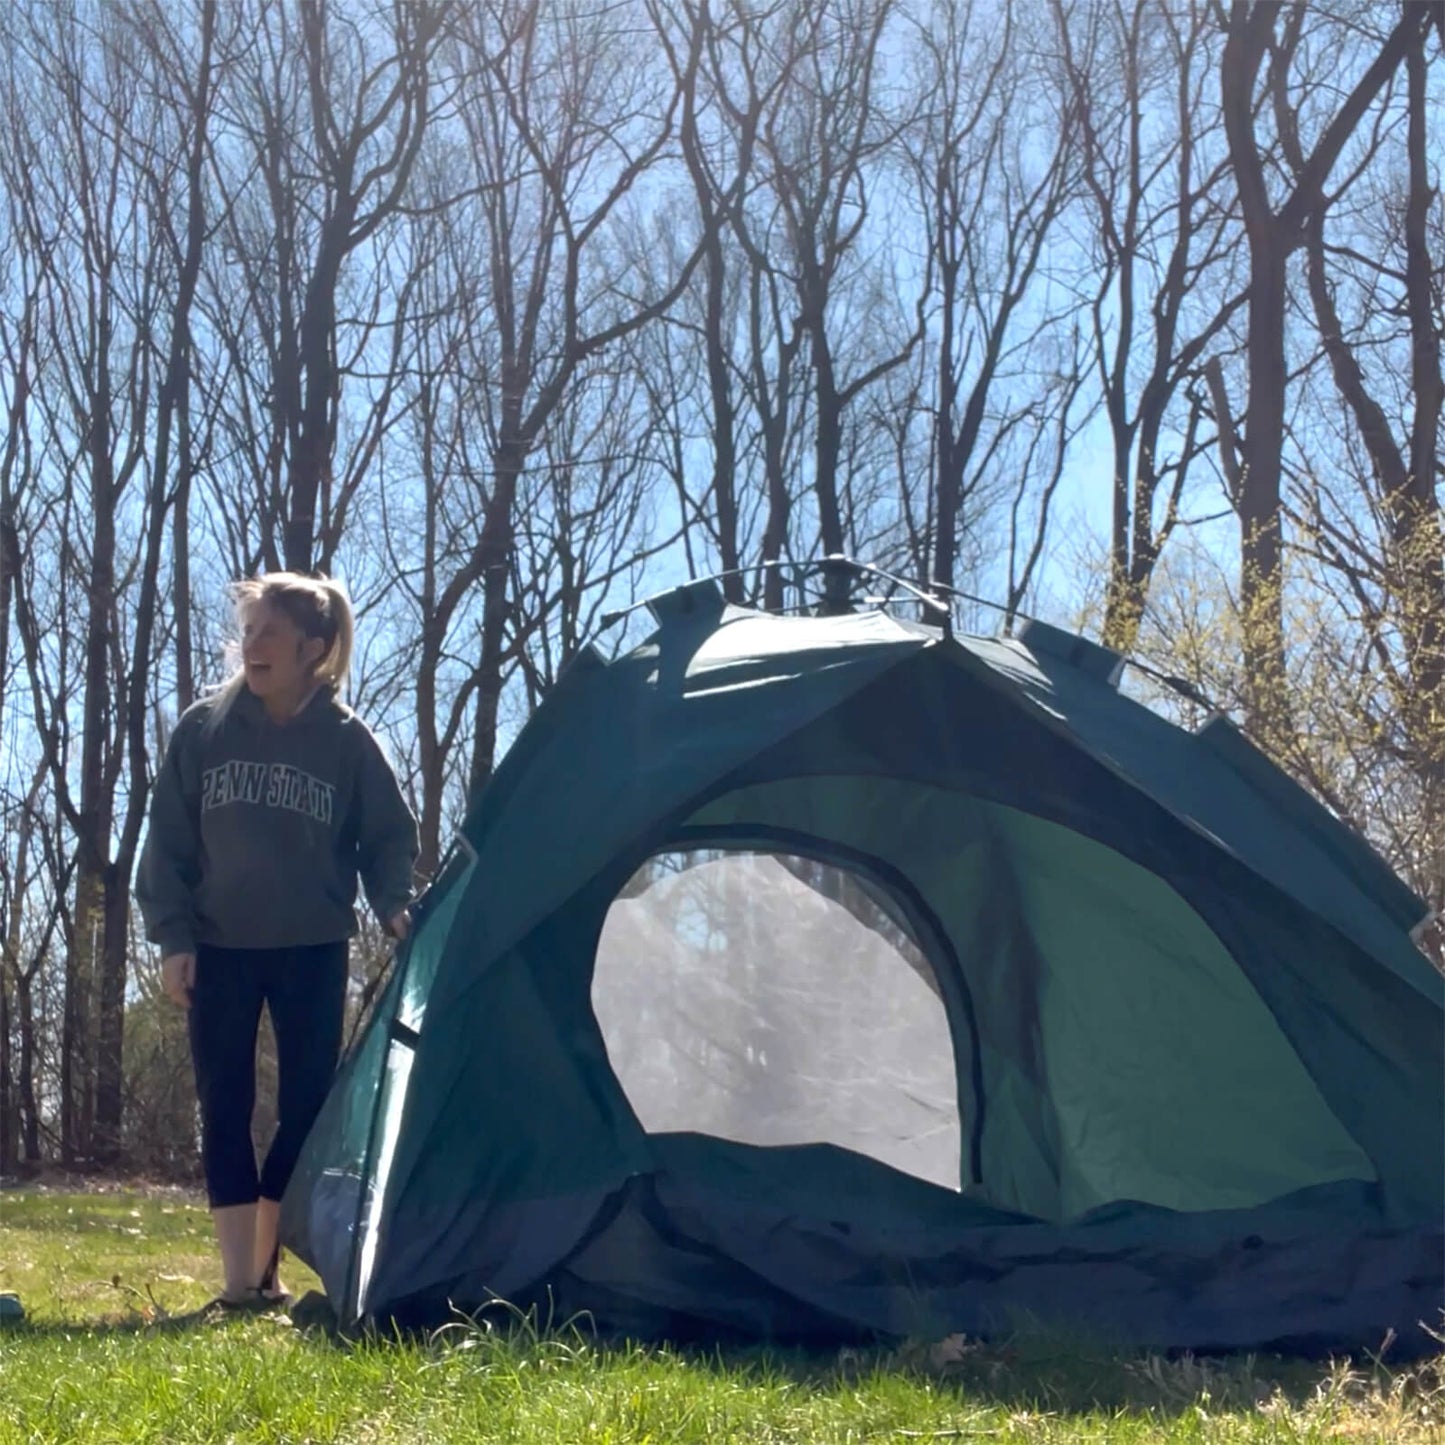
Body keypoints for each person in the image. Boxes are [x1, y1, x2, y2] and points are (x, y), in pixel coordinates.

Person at [136, 571, 418, 1311]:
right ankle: (240, 1283)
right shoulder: (205, 728)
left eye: (268, 633)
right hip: (219, 949)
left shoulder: (348, 742)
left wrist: (393, 904)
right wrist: (172, 937)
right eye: (248, 630)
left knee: (306, 1108)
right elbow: (167, 843)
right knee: (222, 1105)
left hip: (312, 948)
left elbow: (387, 839)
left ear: (314, 649)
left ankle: (264, 1273)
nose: (250, 645)